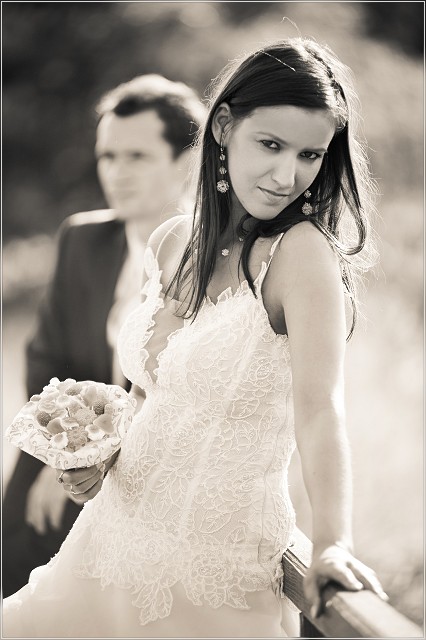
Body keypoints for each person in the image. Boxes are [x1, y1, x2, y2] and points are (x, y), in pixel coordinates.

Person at [3, 37, 388, 638]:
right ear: (224, 127)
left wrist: (334, 542)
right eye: (271, 145)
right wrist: (100, 460)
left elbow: (320, 412)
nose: (287, 175)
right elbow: (149, 396)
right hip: (106, 544)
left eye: (310, 154)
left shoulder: (302, 255)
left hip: (211, 579)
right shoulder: (171, 241)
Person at [2, 73, 206, 597]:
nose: (116, 172)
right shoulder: (82, 238)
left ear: (188, 162)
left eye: (137, 156)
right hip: (69, 446)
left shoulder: (212, 260)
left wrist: (103, 454)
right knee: (19, 528)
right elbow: (46, 356)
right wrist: (65, 454)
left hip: (163, 460)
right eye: (107, 156)